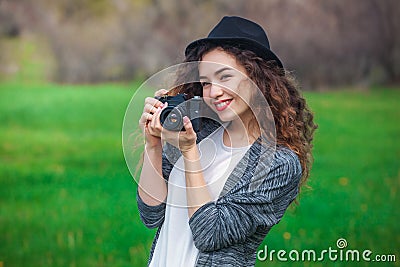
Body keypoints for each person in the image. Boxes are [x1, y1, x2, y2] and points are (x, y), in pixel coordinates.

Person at [137, 16, 317, 266]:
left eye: (225, 77)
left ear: (258, 78)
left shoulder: (279, 163)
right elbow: (151, 214)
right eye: (206, 83)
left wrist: (190, 154)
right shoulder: (198, 132)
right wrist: (153, 145)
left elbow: (210, 233)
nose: (214, 92)